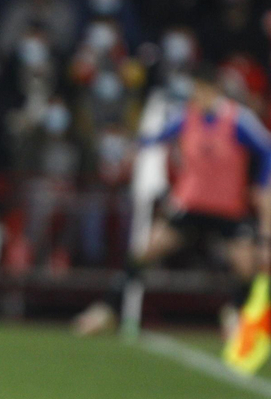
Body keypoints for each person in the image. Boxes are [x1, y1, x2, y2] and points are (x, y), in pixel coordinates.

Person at [73, 67, 271, 337]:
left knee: (247, 265)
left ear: (214, 91)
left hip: (227, 208)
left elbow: (266, 149)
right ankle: (108, 309)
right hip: (190, 204)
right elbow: (156, 137)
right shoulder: (186, 117)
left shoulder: (238, 120)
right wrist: (131, 149)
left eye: (200, 91)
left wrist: (261, 185)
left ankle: (234, 312)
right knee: (145, 252)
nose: (195, 97)